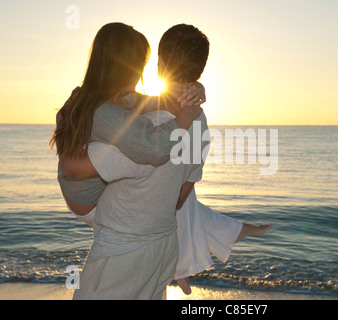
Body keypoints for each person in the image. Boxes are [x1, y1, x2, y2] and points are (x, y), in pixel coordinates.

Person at [56, 24, 271, 298]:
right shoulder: (189, 120)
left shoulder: (130, 114)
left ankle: (216, 238)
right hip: (128, 226)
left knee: (170, 183)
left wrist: (193, 90)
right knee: (176, 185)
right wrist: (189, 105)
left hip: (123, 245)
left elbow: (157, 106)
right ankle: (208, 246)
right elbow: (174, 184)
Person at [51, 22, 205, 299]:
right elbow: (154, 149)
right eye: (140, 62)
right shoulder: (107, 112)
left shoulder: (116, 101)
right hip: (90, 203)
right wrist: (184, 116)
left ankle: (187, 262)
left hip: (130, 243)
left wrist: (193, 91)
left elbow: (153, 102)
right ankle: (187, 263)